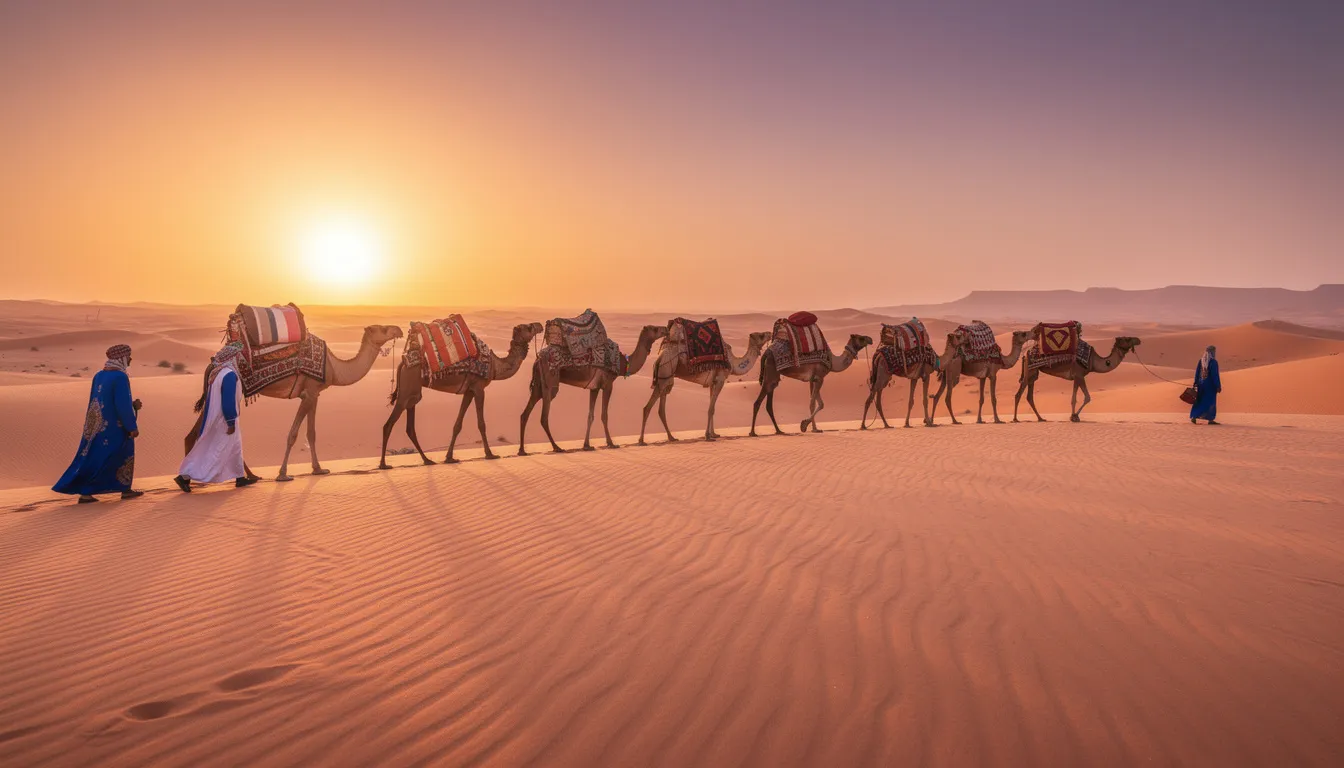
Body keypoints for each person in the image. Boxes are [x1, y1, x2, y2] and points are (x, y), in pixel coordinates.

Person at [53, 344, 144, 503]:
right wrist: (132, 426)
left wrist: (132, 405)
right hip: (115, 427)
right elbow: (121, 404)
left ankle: (93, 492)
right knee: (118, 455)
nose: (130, 359)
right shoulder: (120, 377)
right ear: (121, 358)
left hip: (96, 426)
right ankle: (118, 490)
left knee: (95, 455)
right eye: (128, 356)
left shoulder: (99, 375)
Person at [175, 344, 256, 491]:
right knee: (214, 451)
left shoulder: (219, 373)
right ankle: (184, 476)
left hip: (219, 417)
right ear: (232, 358)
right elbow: (228, 401)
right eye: (238, 357)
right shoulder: (230, 375)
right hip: (224, 420)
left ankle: (240, 478)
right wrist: (230, 421)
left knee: (235, 447)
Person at [1190, 345, 1221, 425]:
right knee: (1210, 402)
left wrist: (1196, 382)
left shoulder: (1201, 361)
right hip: (1210, 386)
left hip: (1201, 384)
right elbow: (1215, 375)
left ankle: (1194, 417)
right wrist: (1218, 386)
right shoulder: (1213, 362)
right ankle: (1210, 419)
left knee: (1199, 401)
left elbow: (1197, 373)